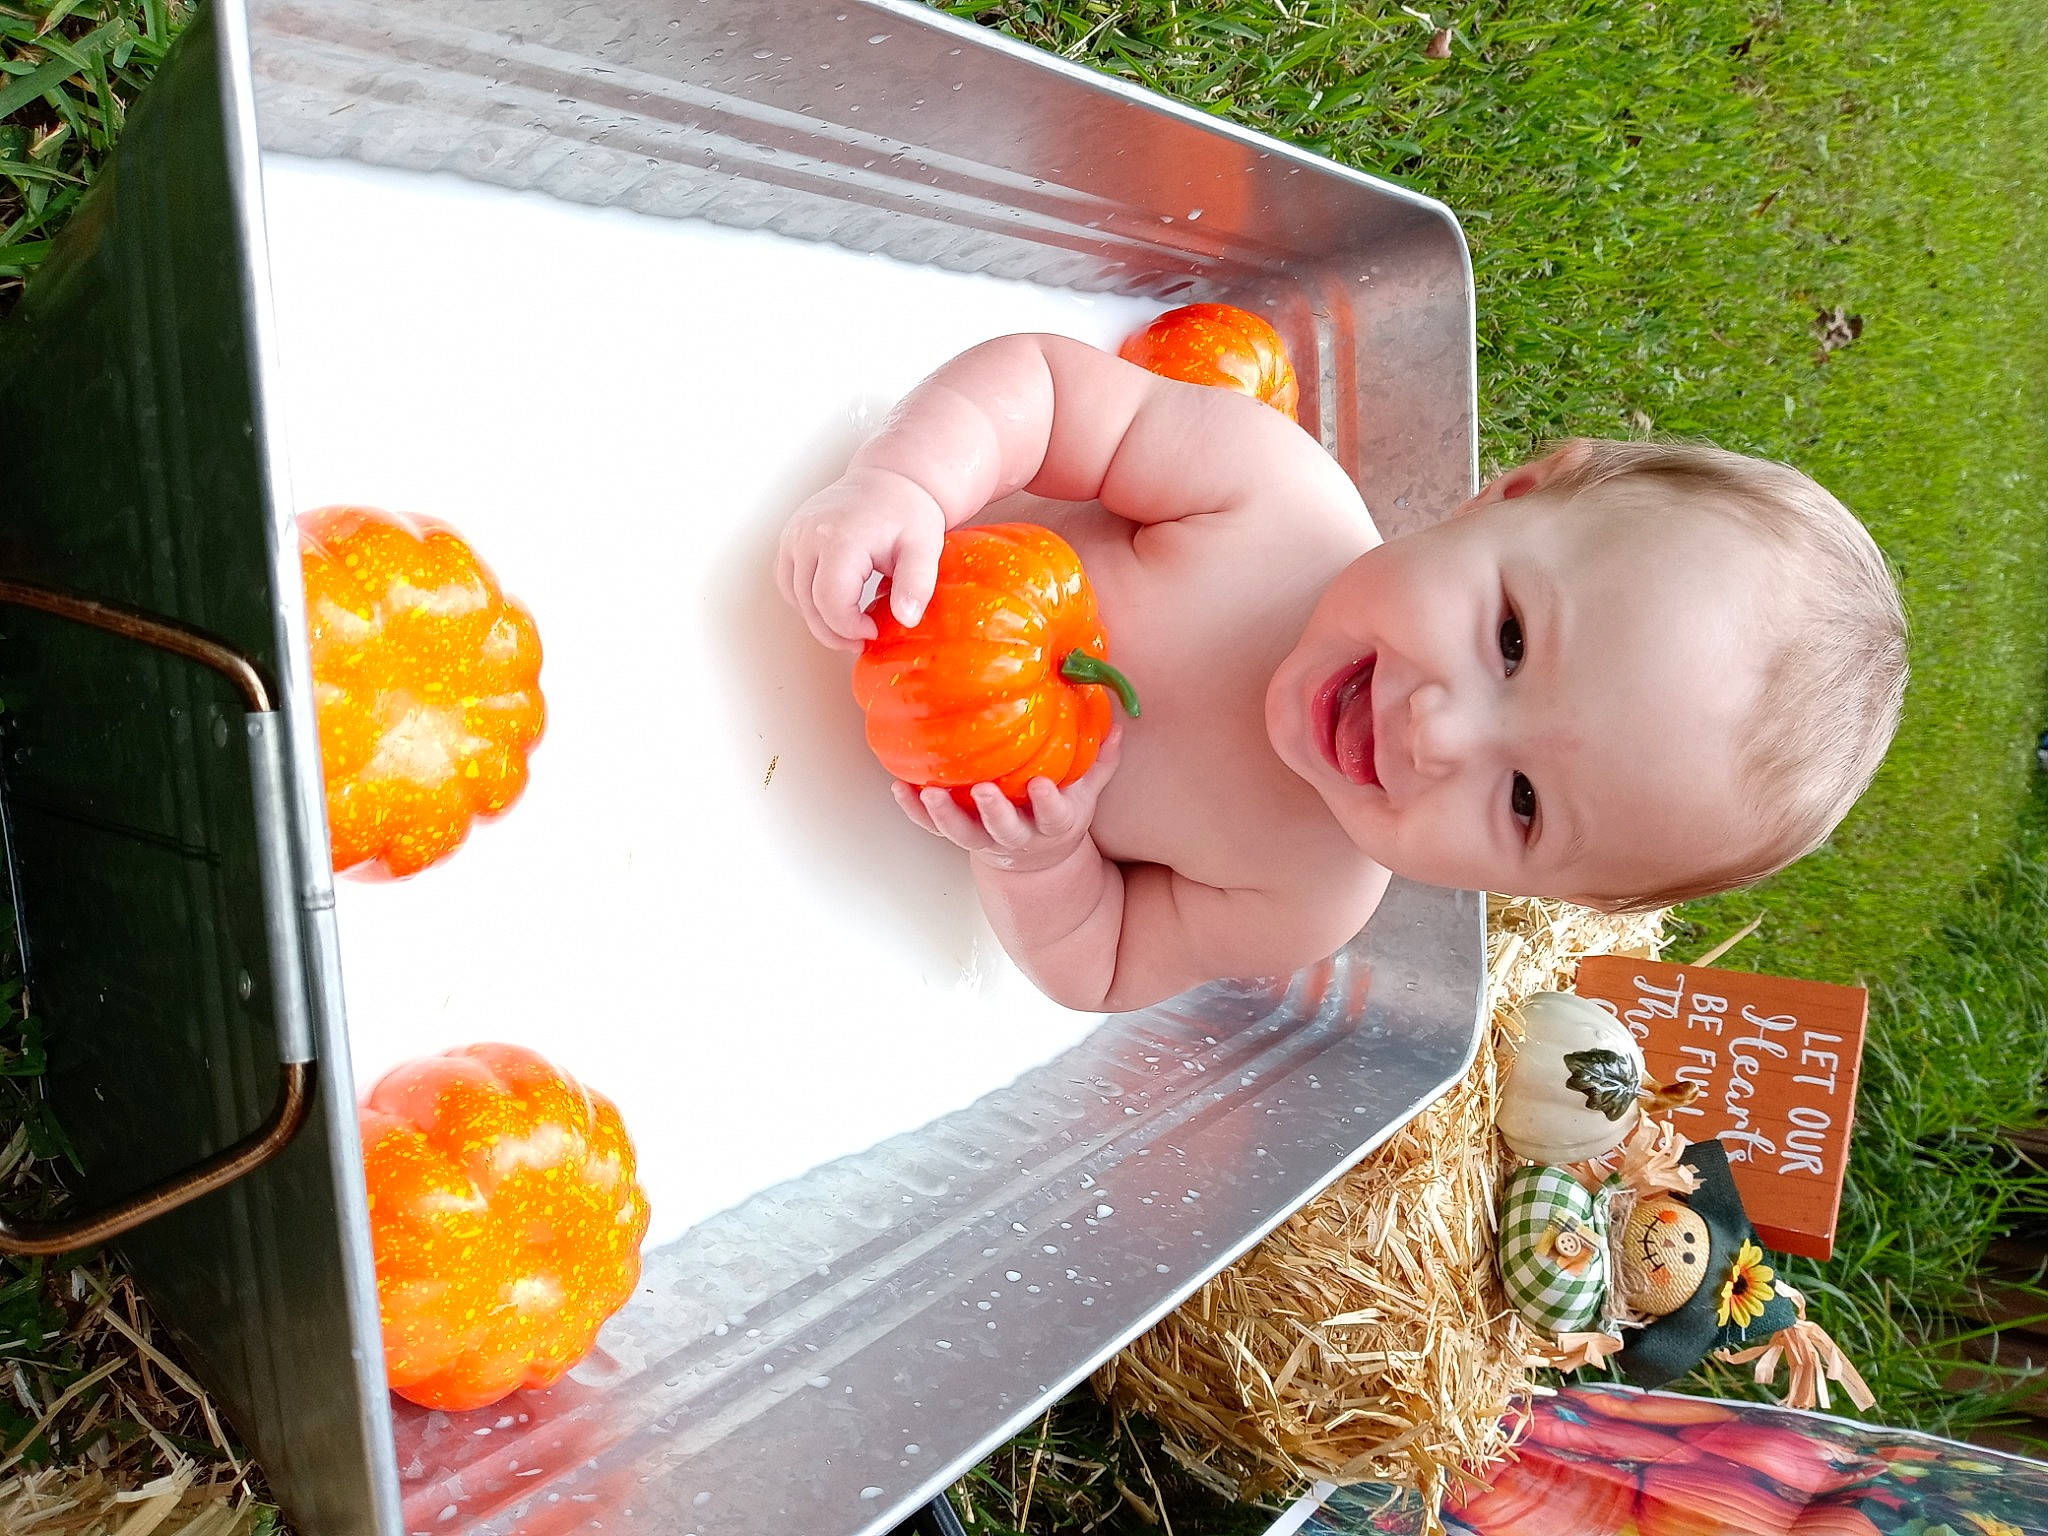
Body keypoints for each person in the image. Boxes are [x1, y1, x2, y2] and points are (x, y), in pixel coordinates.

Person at [777, 334, 1906, 1012]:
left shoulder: (1303, 897)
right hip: (841, 570)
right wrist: (910, 488)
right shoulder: (1268, 496)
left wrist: (1045, 860)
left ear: (1531, 898)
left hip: (821, 841)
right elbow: (1047, 392)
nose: (1436, 737)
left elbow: (1104, 966)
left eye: (1518, 805)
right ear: (1505, 500)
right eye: (1509, 639)